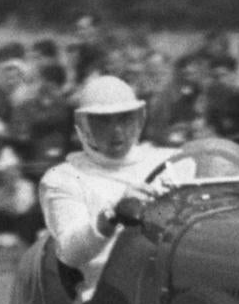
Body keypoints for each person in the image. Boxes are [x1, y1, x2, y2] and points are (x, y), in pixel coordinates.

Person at [37, 73, 189, 272]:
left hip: (176, 272)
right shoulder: (63, 178)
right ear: (84, 126)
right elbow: (70, 253)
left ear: (139, 120)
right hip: (104, 287)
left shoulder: (172, 160)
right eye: (103, 121)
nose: (116, 130)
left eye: (125, 119)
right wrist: (110, 217)